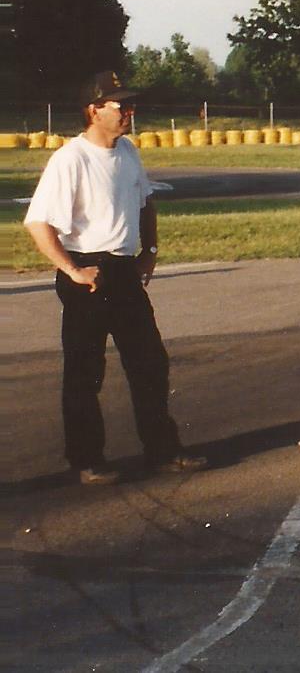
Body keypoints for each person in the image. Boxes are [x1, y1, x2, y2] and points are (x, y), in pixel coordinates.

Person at [24, 70, 205, 485]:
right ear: (93, 110)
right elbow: (38, 223)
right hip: (87, 273)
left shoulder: (128, 152)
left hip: (123, 271)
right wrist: (71, 269)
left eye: (129, 104)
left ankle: (162, 451)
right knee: (86, 372)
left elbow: (146, 203)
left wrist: (150, 254)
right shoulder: (71, 159)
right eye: (120, 105)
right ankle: (86, 459)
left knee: (149, 364)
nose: (129, 111)